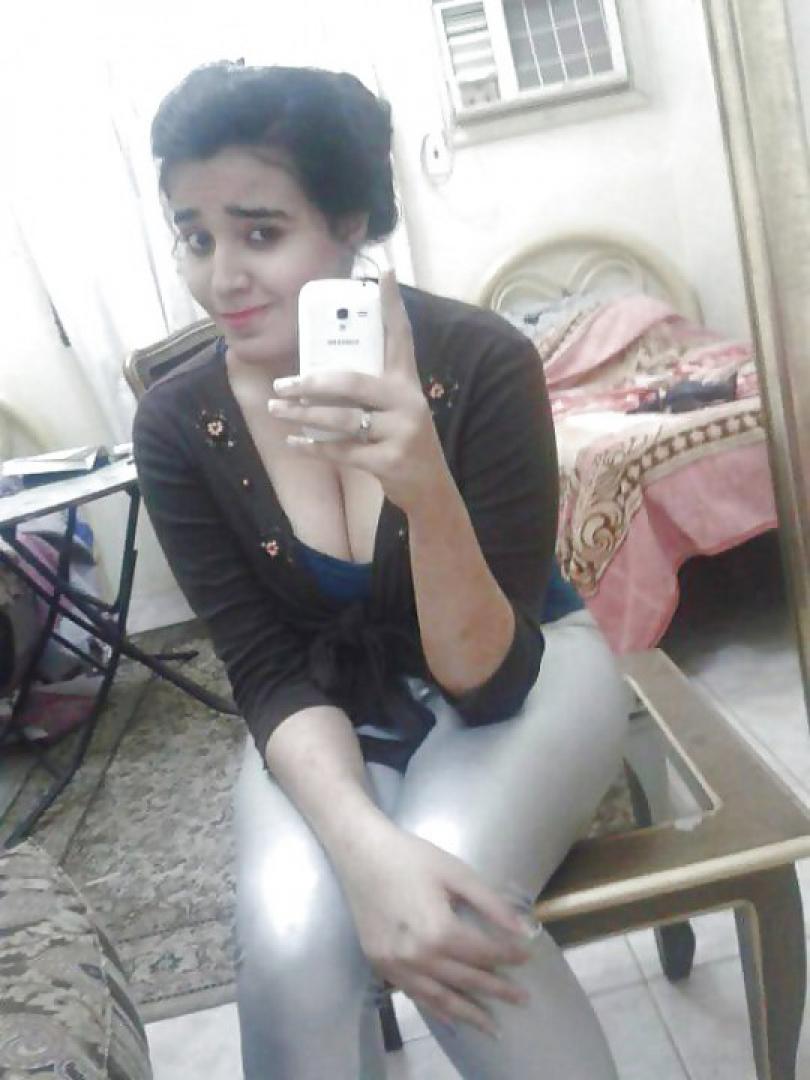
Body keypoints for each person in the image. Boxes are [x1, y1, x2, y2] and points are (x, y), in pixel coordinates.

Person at [134, 61, 629, 1080]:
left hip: (526, 662)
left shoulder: (482, 363)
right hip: (317, 706)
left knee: (454, 895)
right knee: (292, 945)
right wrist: (362, 852)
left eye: (259, 232)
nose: (221, 278)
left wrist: (423, 487)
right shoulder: (177, 425)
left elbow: (491, 680)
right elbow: (266, 667)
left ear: (349, 221)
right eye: (196, 237)